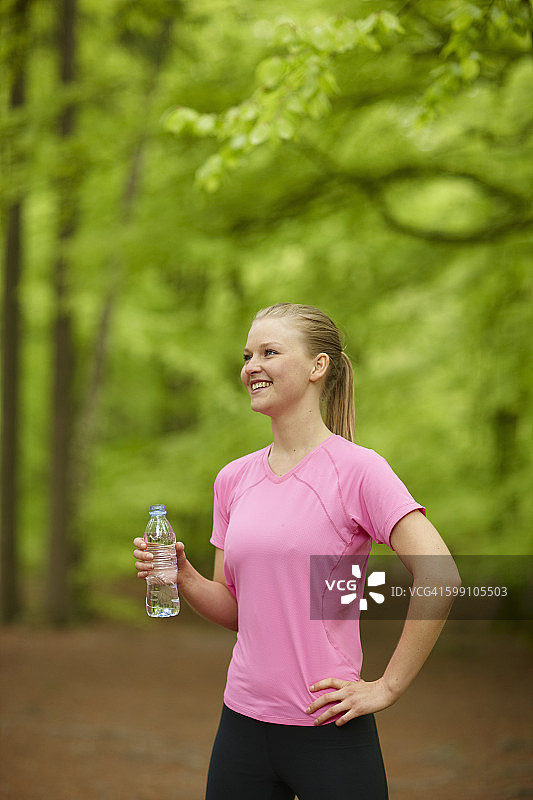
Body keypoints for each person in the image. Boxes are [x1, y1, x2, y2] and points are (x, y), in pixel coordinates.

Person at [133, 302, 461, 799]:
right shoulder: (233, 479)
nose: (251, 367)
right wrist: (185, 577)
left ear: (317, 367)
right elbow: (240, 610)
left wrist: (388, 687)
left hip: (328, 730)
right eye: (247, 355)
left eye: (269, 352)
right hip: (241, 725)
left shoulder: (358, 470)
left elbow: (442, 577)